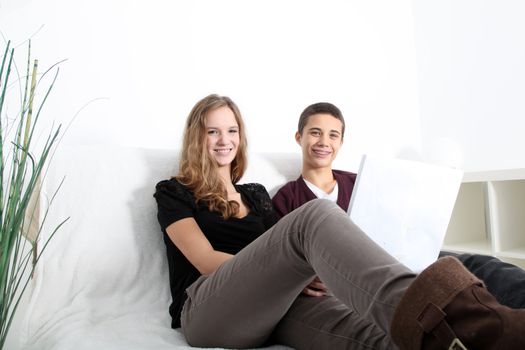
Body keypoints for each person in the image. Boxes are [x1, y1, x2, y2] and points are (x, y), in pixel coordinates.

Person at [154, 94, 525, 350]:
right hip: (207, 312)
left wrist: (296, 278)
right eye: (212, 130)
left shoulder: (255, 194)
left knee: (374, 331)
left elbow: (278, 258)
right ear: (196, 137)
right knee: (314, 215)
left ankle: (467, 339)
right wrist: (286, 273)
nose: (224, 140)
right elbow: (204, 260)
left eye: (232, 130)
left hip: (270, 308)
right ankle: (464, 317)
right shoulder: (174, 191)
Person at [272, 102, 525, 309]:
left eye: (333, 135)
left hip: (399, 258)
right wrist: (301, 279)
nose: (324, 141)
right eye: (315, 132)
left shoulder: (363, 180)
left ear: (341, 142)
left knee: (479, 265)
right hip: (354, 281)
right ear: (299, 137)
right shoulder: (286, 198)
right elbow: (280, 256)